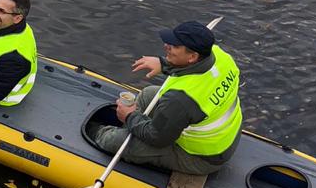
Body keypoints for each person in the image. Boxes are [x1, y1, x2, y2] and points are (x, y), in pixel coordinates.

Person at [93, 19, 241, 175]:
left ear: (192, 56)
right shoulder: (221, 56)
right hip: (225, 136)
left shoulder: (180, 99)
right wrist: (164, 64)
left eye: (175, 46)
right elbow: (196, 69)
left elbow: (158, 138)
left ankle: (99, 132)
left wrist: (129, 116)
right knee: (149, 94)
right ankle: (131, 130)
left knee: (113, 141)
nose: (166, 46)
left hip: (202, 157)